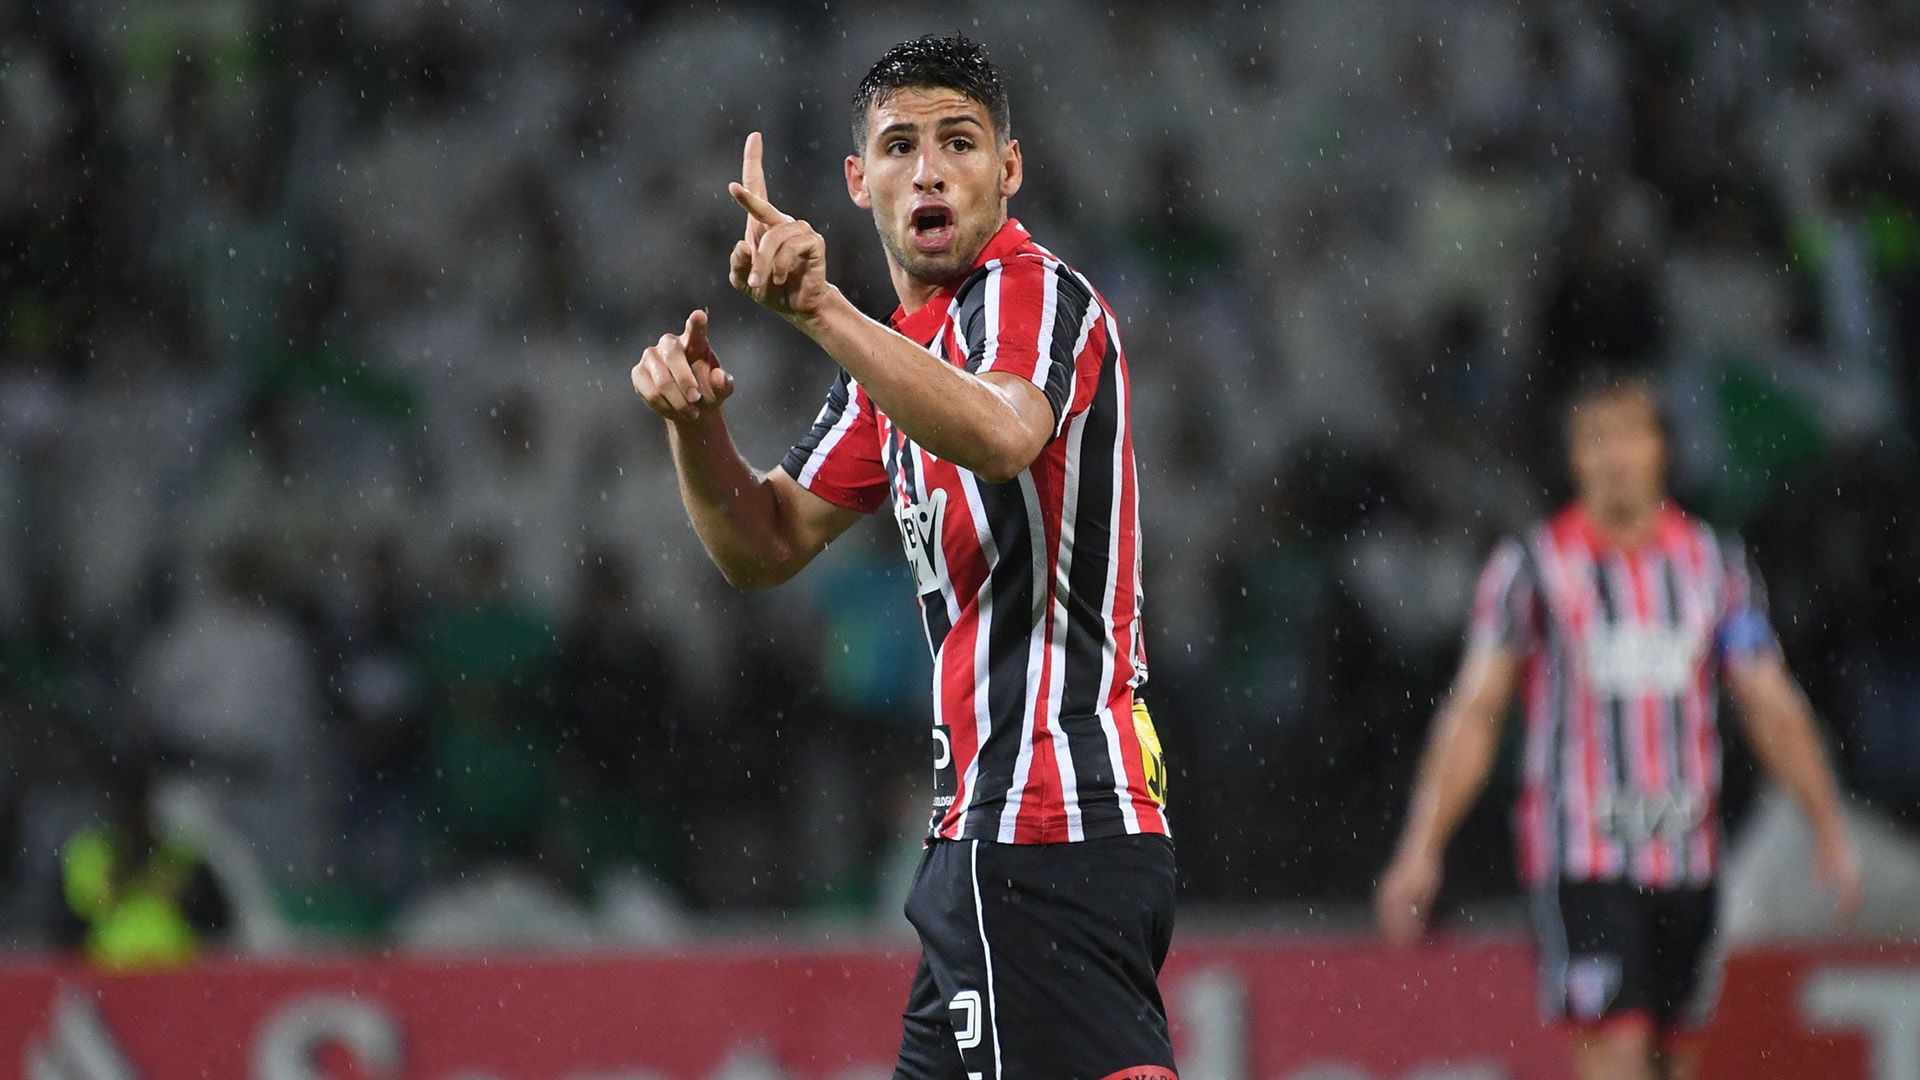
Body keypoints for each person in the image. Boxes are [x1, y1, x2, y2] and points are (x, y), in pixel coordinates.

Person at [631, 33, 1176, 1080]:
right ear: (858, 180)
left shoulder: (1029, 295)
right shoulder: (900, 354)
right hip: (993, 831)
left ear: (1008, 170)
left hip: (1044, 822)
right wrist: (696, 430)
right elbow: (767, 542)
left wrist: (822, 311)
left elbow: (1005, 431)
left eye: (959, 142)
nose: (928, 169)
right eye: (899, 146)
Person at [1374, 370, 1865, 1080]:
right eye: (1595, 439)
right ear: (1573, 457)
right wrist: (1422, 844)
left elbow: (1770, 702)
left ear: (1662, 448)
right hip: (1584, 858)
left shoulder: (1713, 568)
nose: (1615, 456)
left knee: (1675, 1059)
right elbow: (1476, 713)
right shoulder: (1533, 571)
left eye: (1630, 435)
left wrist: (1826, 823)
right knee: (1618, 1050)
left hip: (1687, 857)